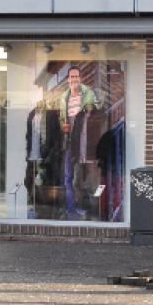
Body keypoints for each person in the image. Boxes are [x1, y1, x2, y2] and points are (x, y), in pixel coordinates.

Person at [58, 66, 100, 220]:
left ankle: (93, 210)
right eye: (72, 76)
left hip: (85, 143)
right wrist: (63, 125)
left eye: (76, 76)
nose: (74, 79)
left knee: (87, 178)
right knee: (68, 177)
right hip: (70, 142)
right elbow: (62, 118)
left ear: (80, 78)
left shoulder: (88, 93)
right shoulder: (64, 98)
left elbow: (97, 110)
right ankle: (71, 210)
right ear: (68, 79)